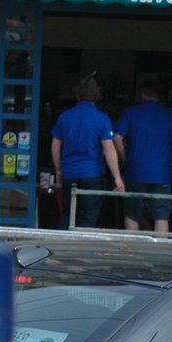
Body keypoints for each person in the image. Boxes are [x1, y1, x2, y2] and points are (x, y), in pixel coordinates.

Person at [50, 74, 124, 229]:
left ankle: (61, 247)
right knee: (88, 218)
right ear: (97, 97)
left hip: (69, 173)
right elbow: (108, 148)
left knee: (68, 213)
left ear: (77, 97)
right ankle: (80, 250)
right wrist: (117, 177)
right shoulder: (102, 119)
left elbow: (55, 145)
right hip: (92, 175)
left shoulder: (65, 116)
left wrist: (58, 170)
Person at [115, 85, 172, 235]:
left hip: (135, 171)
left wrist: (126, 160)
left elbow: (116, 138)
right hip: (161, 173)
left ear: (143, 95)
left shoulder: (131, 113)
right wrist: (168, 163)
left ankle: (132, 251)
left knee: (132, 214)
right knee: (161, 217)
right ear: (161, 97)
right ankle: (160, 254)